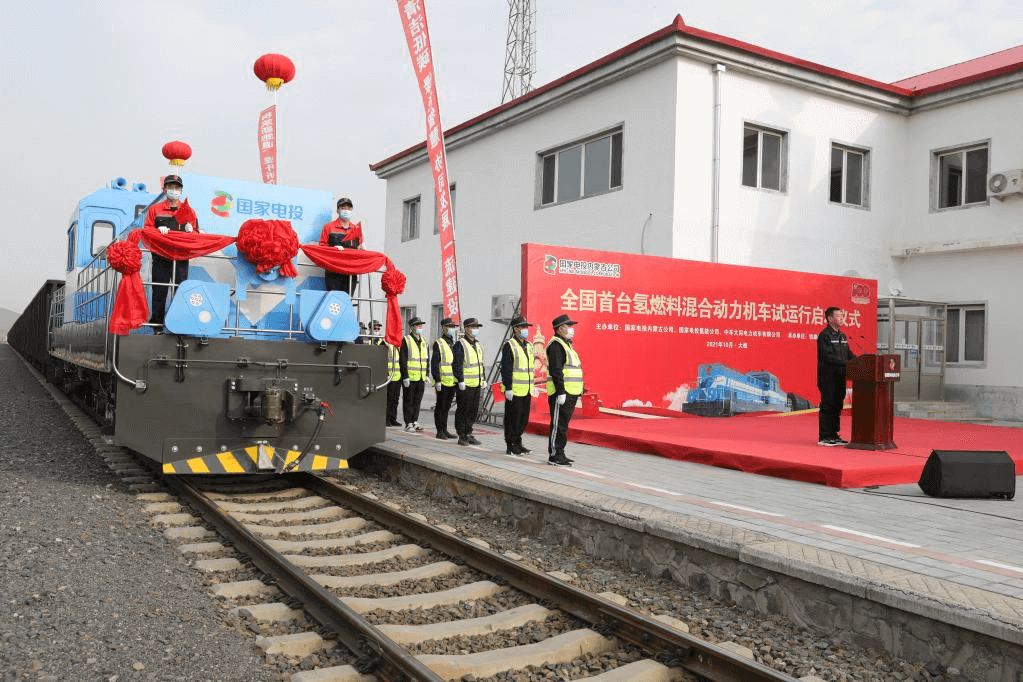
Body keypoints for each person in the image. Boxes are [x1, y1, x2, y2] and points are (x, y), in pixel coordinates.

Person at [145, 175, 198, 330]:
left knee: (180, 290)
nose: (174, 190)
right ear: (164, 189)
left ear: (181, 190)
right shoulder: (155, 210)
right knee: (159, 290)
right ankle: (157, 326)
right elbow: (147, 230)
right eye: (170, 187)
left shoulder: (189, 210)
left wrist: (191, 231)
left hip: (181, 258)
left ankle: (179, 324)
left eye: (177, 187)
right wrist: (156, 230)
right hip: (161, 257)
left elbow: (196, 234)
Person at [546, 314, 582, 466]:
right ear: (560, 329)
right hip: (561, 393)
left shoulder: (567, 344)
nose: (571, 329)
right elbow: (556, 371)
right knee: (558, 425)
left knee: (563, 425)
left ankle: (561, 452)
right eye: (569, 327)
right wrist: (560, 391)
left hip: (571, 392)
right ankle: (554, 455)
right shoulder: (556, 345)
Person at [817, 306, 855, 446]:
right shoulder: (825, 335)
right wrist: (845, 362)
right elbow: (827, 356)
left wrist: (857, 361)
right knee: (828, 406)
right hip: (828, 377)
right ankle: (824, 436)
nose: (842, 318)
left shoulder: (842, 336)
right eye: (838, 316)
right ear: (830, 318)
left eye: (842, 316)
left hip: (841, 377)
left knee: (838, 405)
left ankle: (834, 434)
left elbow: (848, 353)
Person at [501, 315, 535, 456]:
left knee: (523, 418)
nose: (525, 330)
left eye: (526, 327)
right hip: (514, 390)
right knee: (512, 418)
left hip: (526, 389)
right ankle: (511, 444)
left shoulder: (528, 345)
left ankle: (518, 442)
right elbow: (506, 368)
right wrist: (508, 388)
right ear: (515, 329)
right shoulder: (510, 345)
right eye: (523, 327)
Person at [318, 197, 363, 295]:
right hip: (333, 271)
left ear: (351, 210)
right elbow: (321, 248)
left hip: (351, 272)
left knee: (347, 300)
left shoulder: (356, 229)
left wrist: (362, 249)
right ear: (337, 210)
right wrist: (332, 250)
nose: (346, 210)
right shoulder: (329, 227)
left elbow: (360, 250)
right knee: (333, 300)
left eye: (348, 208)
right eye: (343, 208)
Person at [453, 317, 485, 446]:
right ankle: (461, 435)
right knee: (463, 409)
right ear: (466, 329)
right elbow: (457, 364)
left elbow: (480, 364)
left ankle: (469, 432)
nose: (476, 329)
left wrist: (484, 379)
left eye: (477, 327)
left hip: (476, 383)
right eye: (473, 327)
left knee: (473, 410)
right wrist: (460, 380)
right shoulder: (460, 344)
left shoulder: (477, 344)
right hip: (465, 384)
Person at [430, 318, 459, 440]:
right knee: (440, 406)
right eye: (449, 326)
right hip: (442, 381)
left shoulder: (453, 343)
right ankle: (439, 431)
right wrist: (437, 380)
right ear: (443, 328)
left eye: (453, 326)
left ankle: (445, 429)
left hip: (452, 380)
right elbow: (435, 363)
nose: (452, 328)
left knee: (447, 407)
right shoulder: (439, 343)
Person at [399, 316, 429, 432]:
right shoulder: (406, 340)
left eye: (421, 325)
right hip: (410, 378)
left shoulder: (424, 341)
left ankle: (415, 421)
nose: (419, 327)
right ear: (411, 327)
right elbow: (403, 360)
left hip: (421, 377)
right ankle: (408, 423)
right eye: (417, 325)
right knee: (408, 401)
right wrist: (405, 376)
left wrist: (427, 374)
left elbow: (427, 359)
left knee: (418, 400)